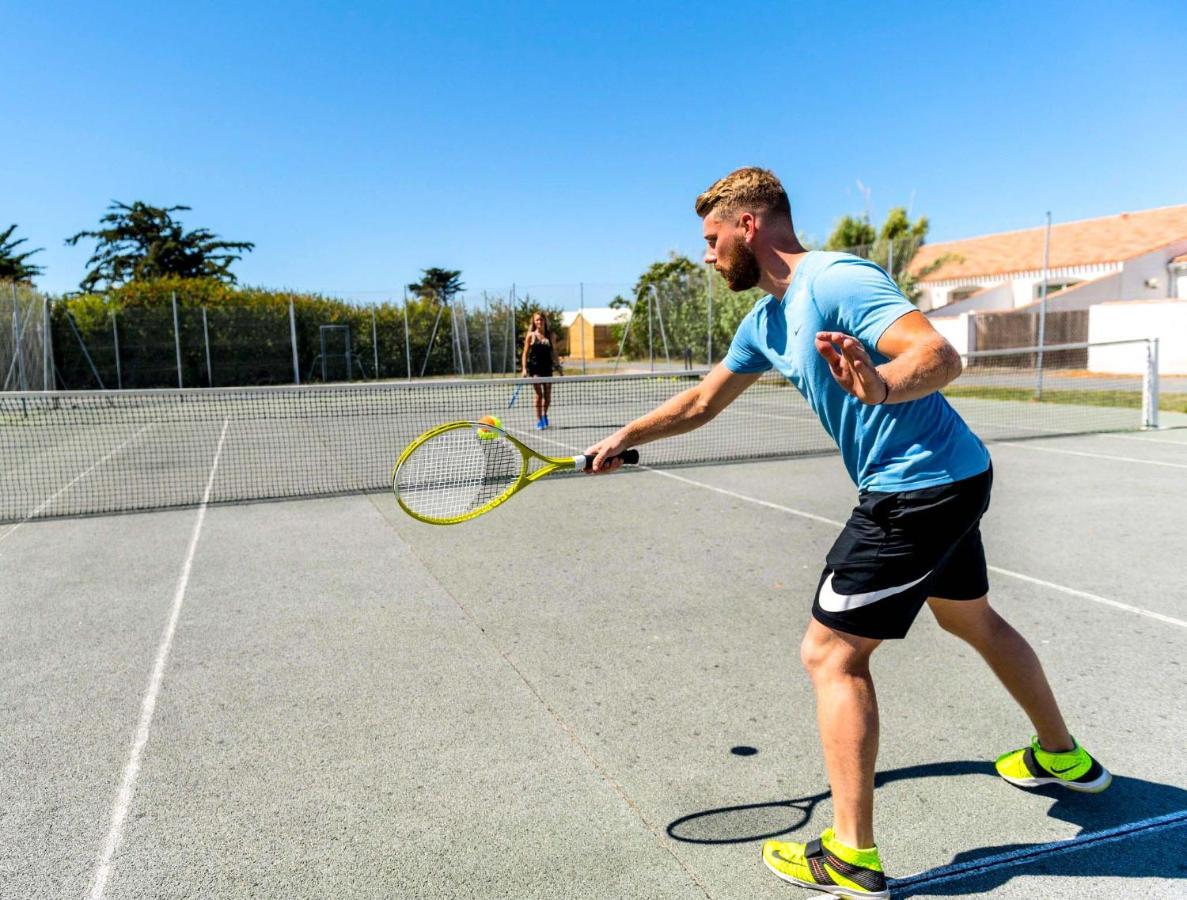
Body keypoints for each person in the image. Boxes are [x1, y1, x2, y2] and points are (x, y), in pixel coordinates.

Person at [584, 167, 1110, 898]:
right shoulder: (765, 322)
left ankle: (850, 857)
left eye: (711, 238)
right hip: (951, 477)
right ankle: (1061, 758)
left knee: (829, 654)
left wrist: (884, 383)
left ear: (749, 225)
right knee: (971, 619)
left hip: (914, 490)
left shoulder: (836, 279)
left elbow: (938, 354)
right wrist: (622, 437)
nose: (705, 256)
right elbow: (703, 401)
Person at [521, 310, 562, 429]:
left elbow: (554, 352)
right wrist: (524, 369)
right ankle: (539, 420)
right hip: (535, 369)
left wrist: (558, 367)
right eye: (537, 320)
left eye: (541, 319)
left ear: (544, 321)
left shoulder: (551, 336)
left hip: (547, 368)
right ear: (534, 322)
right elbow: (525, 353)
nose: (539, 321)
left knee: (548, 395)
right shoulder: (531, 335)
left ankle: (544, 415)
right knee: (539, 395)